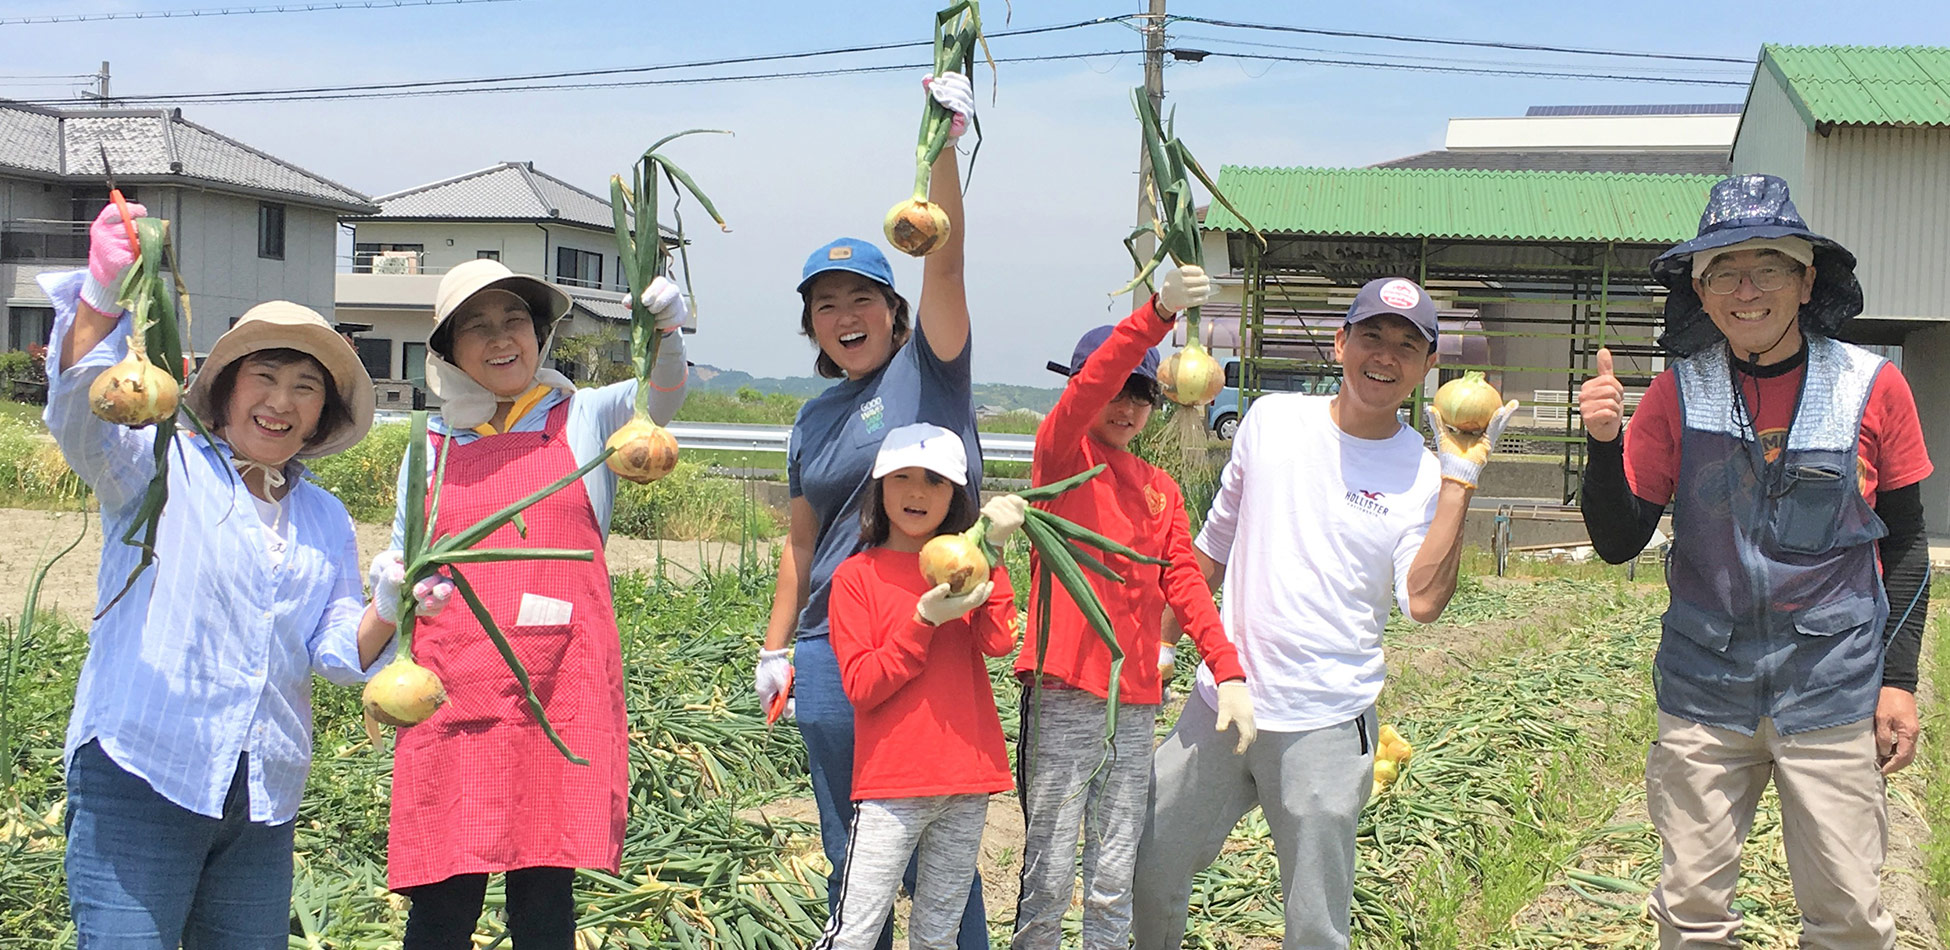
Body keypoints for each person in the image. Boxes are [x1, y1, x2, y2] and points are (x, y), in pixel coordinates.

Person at [46, 202, 433, 948]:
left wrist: (388, 603)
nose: (281, 402)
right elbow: (82, 417)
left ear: (323, 414)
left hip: (261, 796)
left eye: (305, 387)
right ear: (225, 390)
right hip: (143, 771)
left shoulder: (322, 517)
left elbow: (333, 652)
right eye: (265, 376)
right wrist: (101, 296)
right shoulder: (157, 468)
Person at [1577, 173, 1931, 949]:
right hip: (1705, 693)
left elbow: (1905, 545)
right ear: (1699, 292)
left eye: (1768, 267)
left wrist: (1898, 682)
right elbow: (1618, 540)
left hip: (1833, 690)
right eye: (1724, 272)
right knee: (1693, 915)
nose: (1747, 289)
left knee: (1848, 917)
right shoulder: (1680, 392)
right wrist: (1603, 448)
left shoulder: (1872, 385)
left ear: (1806, 281)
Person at [1132, 276, 1516, 950]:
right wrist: (1161, 649)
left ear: (1429, 368)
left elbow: (1422, 601)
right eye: (1371, 335)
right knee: (1148, 859)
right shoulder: (1273, 420)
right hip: (1221, 701)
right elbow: (1212, 546)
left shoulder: (1425, 474)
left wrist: (1459, 482)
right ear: (1341, 344)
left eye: (1407, 345)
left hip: (1327, 722)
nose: (1385, 356)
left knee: (1314, 924)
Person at [755, 71, 1001, 950]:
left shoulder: (929, 370)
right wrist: (775, 648)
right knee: (851, 847)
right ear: (813, 328)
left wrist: (943, 141)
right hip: (830, 649)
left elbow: (946, 253)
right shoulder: (812, 417)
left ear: (895, 311)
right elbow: (799, 545)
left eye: (862, 297)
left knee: (939, 841)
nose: (845, 314)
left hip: (931, 627)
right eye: (826, 305)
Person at [380, 257, 689, 947]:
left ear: (540, 332)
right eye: (477, 327)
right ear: (449, 353)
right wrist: (400, 586)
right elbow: (404, 564)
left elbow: (661, 398)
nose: (500, 339)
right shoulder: (427, 444)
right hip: (453, 693)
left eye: (514, 320)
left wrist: (667, 330)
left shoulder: (587, 414)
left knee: (545, 900)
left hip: (558, 694)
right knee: (442, 901)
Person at [1010, 266, 1254, 950]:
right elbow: (1091, 385)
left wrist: (1227, 671)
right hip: (1063, 693)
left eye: (1142, 394)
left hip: (1134, 699)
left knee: (1115, 871)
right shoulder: (1060, 458)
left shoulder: (1160, 490)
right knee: (1050, 871)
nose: (1125, 406)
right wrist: (1156, 314)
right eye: (1115, 390)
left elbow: (1184, 581)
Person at [816, 423, 1021, 950]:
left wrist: (992, 555)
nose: (915, 492)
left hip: (965, 779)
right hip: (891, 785)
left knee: (937, 935)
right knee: (855, 933)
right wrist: (921, 623)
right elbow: (862, 685)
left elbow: (999, 641)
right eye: (900, 477)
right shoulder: (856, 578)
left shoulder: (965, 571)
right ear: (878, 487)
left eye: (934, 481)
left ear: (955, 496)